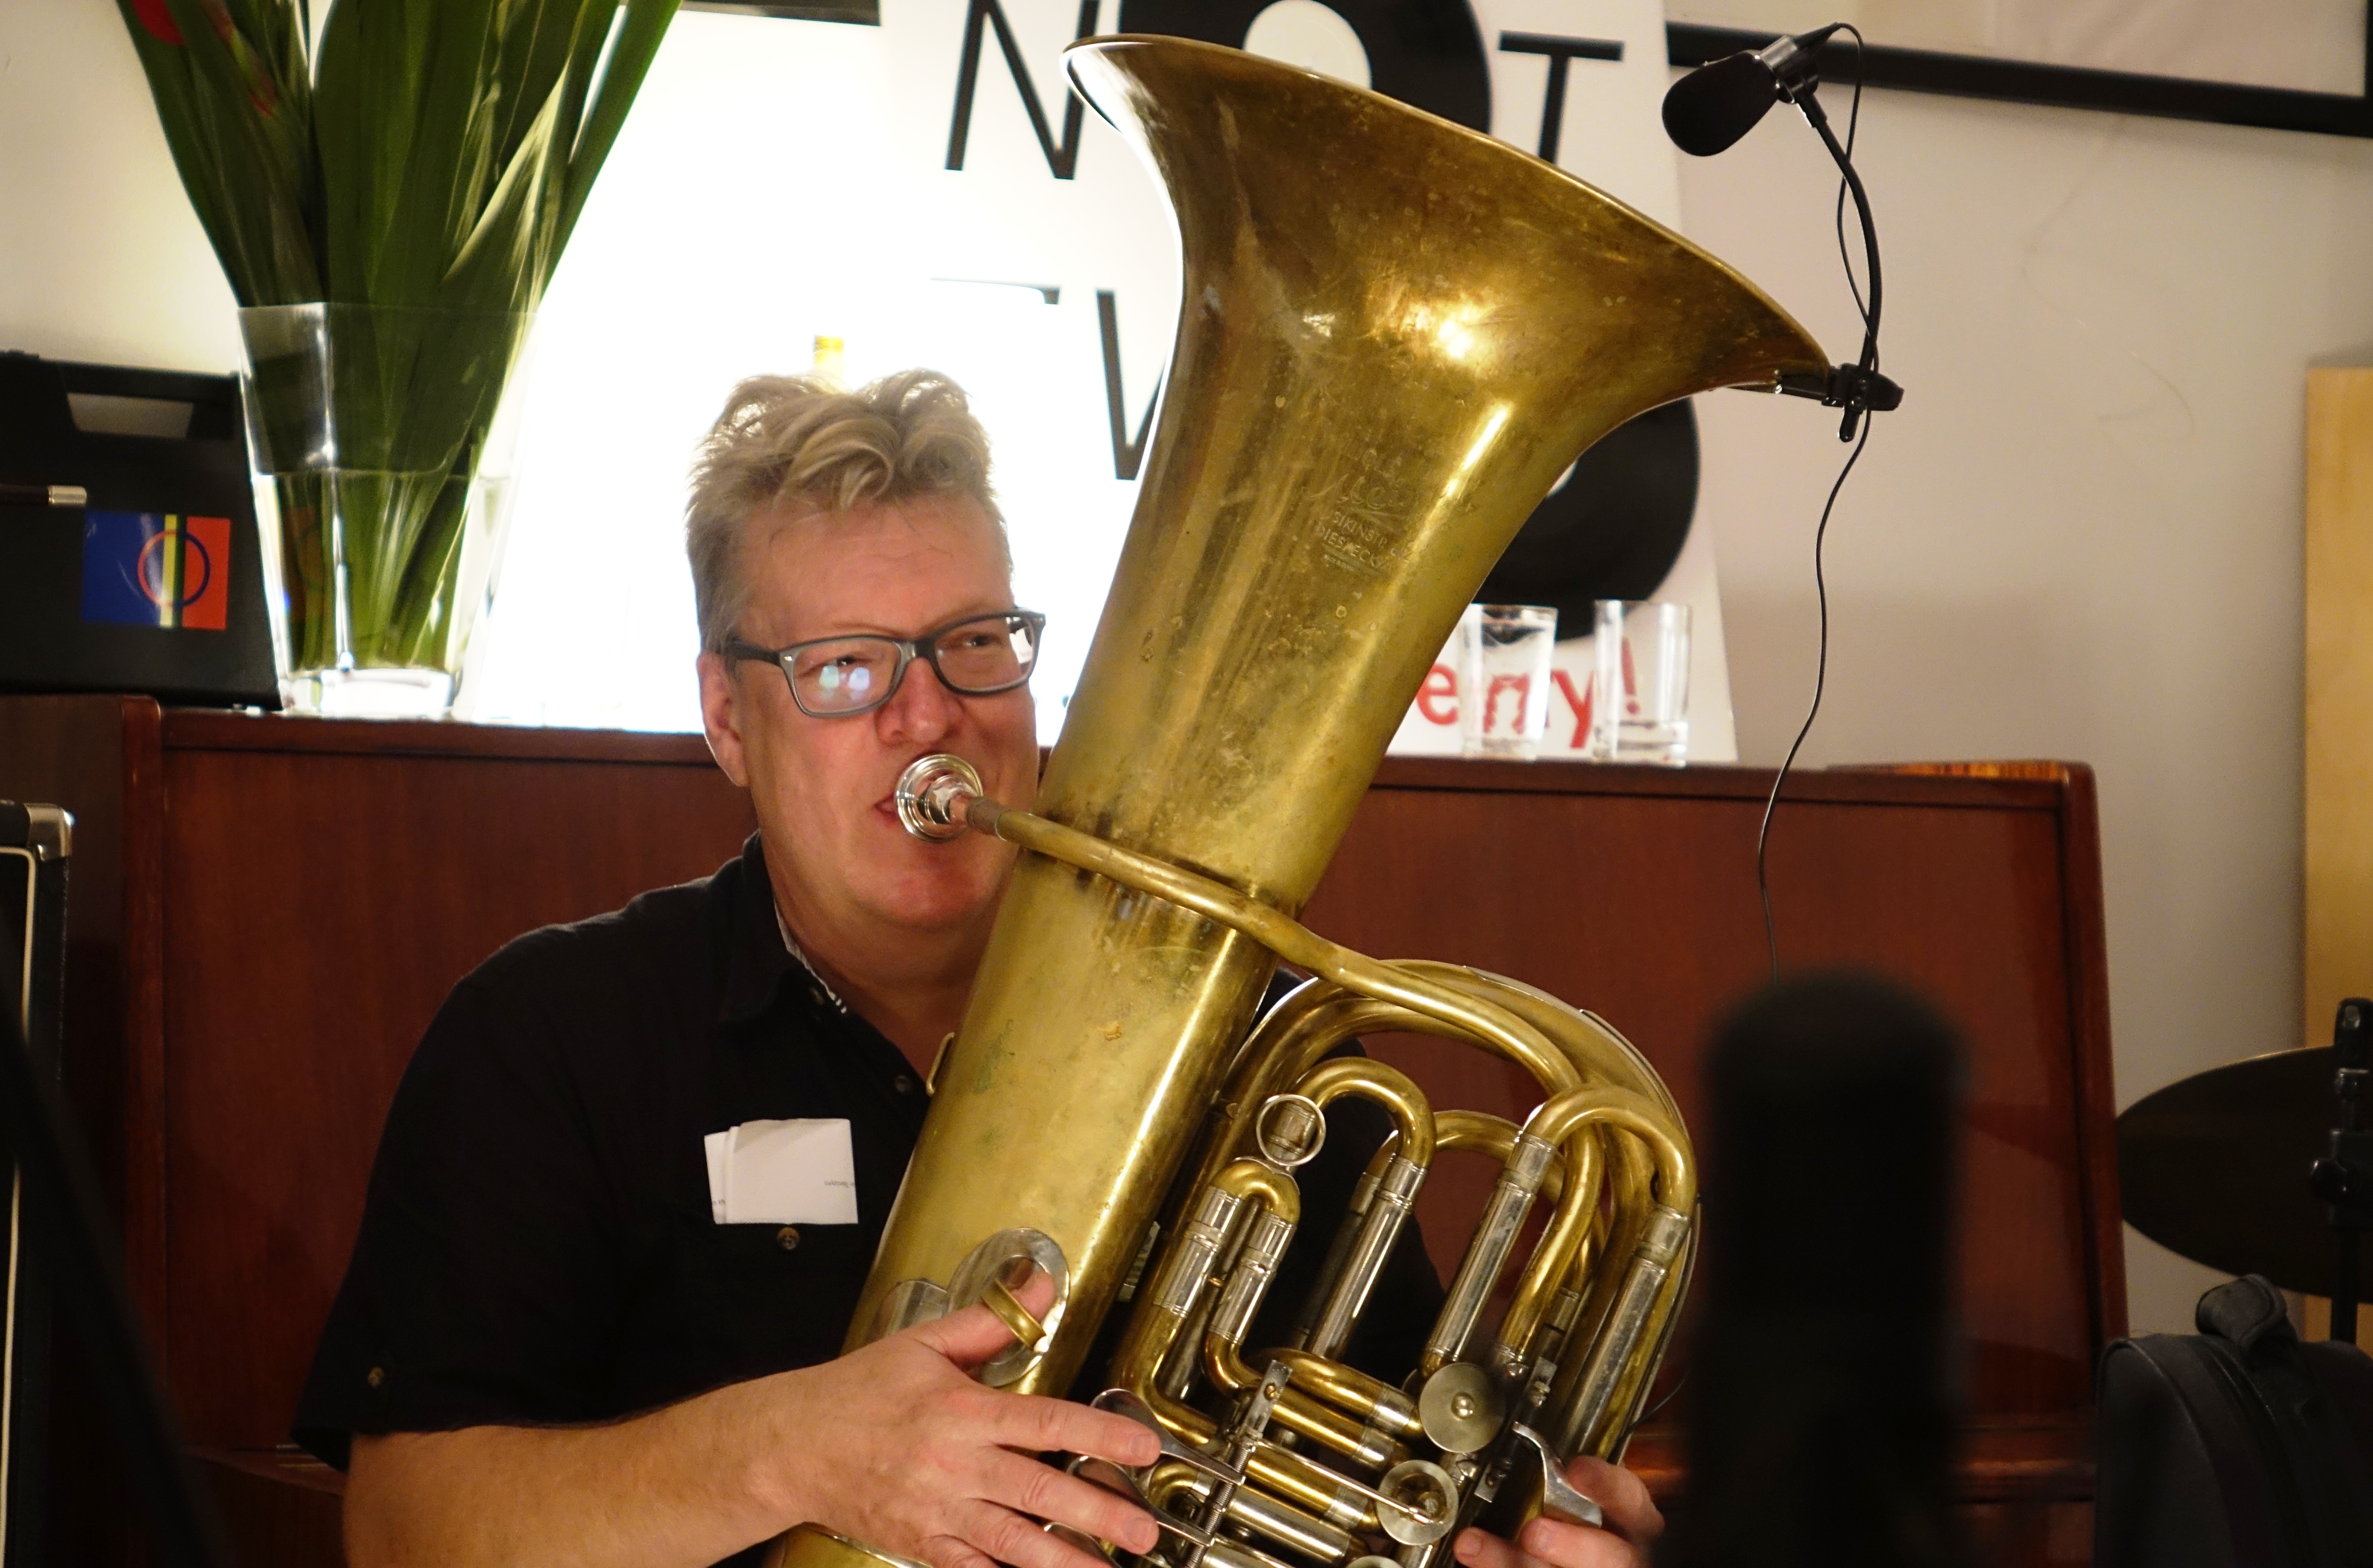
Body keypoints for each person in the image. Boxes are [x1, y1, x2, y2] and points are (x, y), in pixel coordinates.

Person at [295, 370, 1664, 1568]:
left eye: (972, 643)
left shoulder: (1270, 1071)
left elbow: (1408, 1487)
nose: (928, 711)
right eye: (843, 668)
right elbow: (405, 1531)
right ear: (727, 718)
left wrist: (1522, 1534)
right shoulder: (556, 1038)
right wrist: (789, 1454)